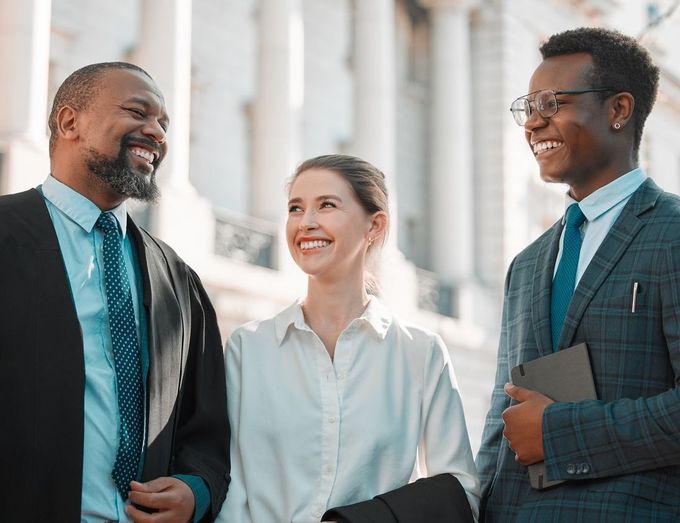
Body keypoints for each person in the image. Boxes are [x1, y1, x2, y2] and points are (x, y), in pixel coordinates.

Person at [0, 62, 230, 522]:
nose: (157, 133)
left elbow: (204, 428)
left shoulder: (177, 279)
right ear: (70, 122)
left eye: (163, 123)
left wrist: (195, 490)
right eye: (137, 112)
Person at [476, 27, 680, 521]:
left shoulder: (673, 233)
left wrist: (558, 432)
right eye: (528, 107)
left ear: (618, 110)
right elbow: (499, 427)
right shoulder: (525, 265)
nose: (534, 122)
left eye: (554, 102)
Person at [216, 154, 479, 522]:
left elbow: (460, 489)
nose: (306, 223)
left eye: (326, 205)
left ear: (375, 225)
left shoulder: (420, 352)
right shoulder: (248, 348)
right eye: (295, 208)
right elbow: (230, 485)